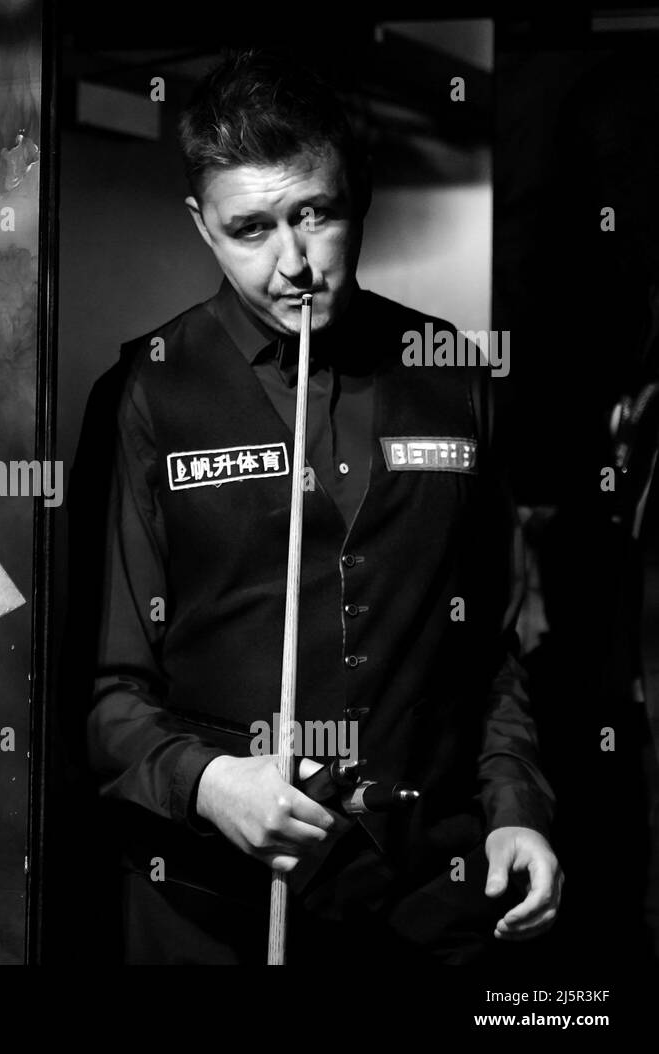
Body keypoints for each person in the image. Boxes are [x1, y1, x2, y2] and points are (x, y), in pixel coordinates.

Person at [85, 49, 563, 964]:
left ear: (362, 196)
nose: (293, 262)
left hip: (435, 905)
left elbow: (492, 650)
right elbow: (108, 698)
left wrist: (515, 811)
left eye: (315, 214)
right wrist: (210, 784)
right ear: (201, 226)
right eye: (251, 228)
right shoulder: (146, 393)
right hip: (211, 910)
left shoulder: (448, 368)